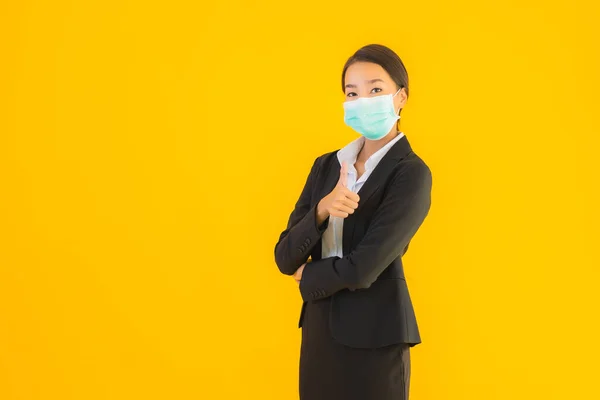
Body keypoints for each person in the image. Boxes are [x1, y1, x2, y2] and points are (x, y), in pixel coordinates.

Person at [274, 43, 433, 400]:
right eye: (353, 92)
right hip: (319, 335)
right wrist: (322, 210)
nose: (364, 100)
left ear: (401, 97)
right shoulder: (326, 166)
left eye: (376, 89)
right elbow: (284, 255)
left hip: (376, 339)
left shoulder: (411, 174)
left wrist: (308, 275)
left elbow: (364, 268)